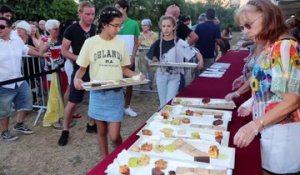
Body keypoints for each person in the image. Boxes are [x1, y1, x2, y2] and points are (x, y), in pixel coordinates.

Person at [233, 0, 300, 174]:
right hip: (270, 131)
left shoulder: (284, 47)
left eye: (248, 25)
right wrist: (251, 103)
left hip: (283, 138)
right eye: (242, 27)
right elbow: (269, 83)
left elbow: (292, 100)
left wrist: (255, 125)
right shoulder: (270, 46)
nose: (245, 31)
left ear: (268, 17)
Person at [73, 6, 142, 157]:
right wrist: (77, 79)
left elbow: (124, 69)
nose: (119, 29)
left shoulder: (120, 43)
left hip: (115, 94)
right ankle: (105, 160)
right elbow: (82, 69)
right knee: (102, 131)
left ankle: (121, 153)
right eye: (116, 25)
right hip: (97, 94)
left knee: (115, 136)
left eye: (120, 25)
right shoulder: (90, 43)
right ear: (104, 24)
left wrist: (138, 76)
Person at [0, 17, 50, 141]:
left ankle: (19, 124)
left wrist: (41, 55)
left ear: (9, 28)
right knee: (4, 110)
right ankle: (4, 132)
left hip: (19, 80)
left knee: (26, 101)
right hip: (3, 83)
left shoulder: (16, 40)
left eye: (1, 27)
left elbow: (26, 50)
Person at [58, 1, 97, 146]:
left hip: (94, 71)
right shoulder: (71, 29)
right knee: (73, 102)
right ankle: (65, 130)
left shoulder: (95, 29)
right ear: (79, 13)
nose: (90, 17)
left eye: (92, 14)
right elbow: (64, 51)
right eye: (87, 14)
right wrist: (81, 59)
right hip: (79, 70)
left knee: (95, 98)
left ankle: (91, 124)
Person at [146, 15, 203, 108]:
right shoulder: (157, 43)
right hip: (161, 76)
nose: (166, 29)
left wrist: (200, 61)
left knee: (169, 102)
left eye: (168, 26)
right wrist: (151, 63)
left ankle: (166, 118)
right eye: (164, 26)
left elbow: (195, 52)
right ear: (161, 27)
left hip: (175, 76)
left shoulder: (180, 43)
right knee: (162, 103)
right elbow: (149, 59)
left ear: (174, 27)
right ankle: (162, 120)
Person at [115, 0, 140, 117]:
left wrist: (133, 56)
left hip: (128, 59)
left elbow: (136, 43)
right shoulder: (114, 23)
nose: (116, 10)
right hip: (115, 60)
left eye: (118, 7)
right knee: (116, 84)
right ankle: (118, 107)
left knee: (130, 83)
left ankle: (127, 106)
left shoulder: (134, 23)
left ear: (124, 8)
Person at [138, 18, 158, 90]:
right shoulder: (139, 35)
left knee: (151, 71)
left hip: (151, 54)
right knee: (142, 71)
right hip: (142, 53)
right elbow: (137, 44)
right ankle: (142, 87)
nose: (143, 27)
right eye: (142, 26)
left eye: (145, 25)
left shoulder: (155, 35)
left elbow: (157, 45)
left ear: (149, 26)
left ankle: (150, 85)